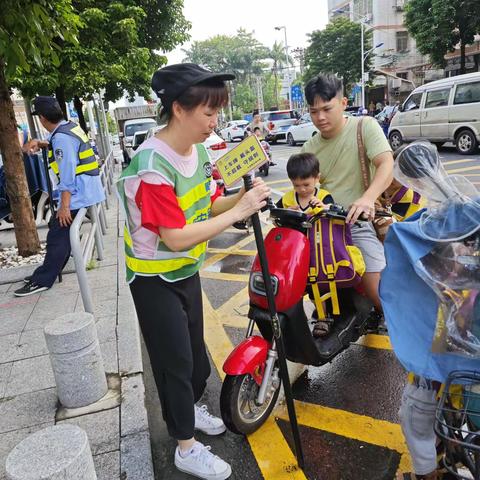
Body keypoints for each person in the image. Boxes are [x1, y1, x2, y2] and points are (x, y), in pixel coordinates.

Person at [116, 63, 270, 480]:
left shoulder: (199, 151)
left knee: (195, 358)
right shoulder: (152, 165)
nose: (214, 122)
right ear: (179, 110)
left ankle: (187, 412)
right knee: (175, 362)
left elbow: (208, 205)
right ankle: (184, 447)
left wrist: (242, 197)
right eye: (208, 113)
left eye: (217, 112)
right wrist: (238, 211)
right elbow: (175, 236)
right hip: (153, 278)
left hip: (185, 271)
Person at [301, 73, 394, 311]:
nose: (320, 117)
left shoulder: (365, 127)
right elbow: (302, 189)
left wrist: (367, 199)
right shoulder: (308, 149)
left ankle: (401, 330)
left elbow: (386, 164)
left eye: (326, 108)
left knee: (379, 290)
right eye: (313, 111)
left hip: (358, 222)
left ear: (343, 103)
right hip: (323, 227)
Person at [14, 96, 105, 297]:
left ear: (43, 118)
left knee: (57, 235)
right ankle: (47, 273)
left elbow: (68, 176)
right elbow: (67, 146)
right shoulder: (68, 127)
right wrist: (42, 143)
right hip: (87, 189)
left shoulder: (61, 138)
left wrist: (64, 206)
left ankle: (43, 280)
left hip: (77, 194)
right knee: (61, 236)